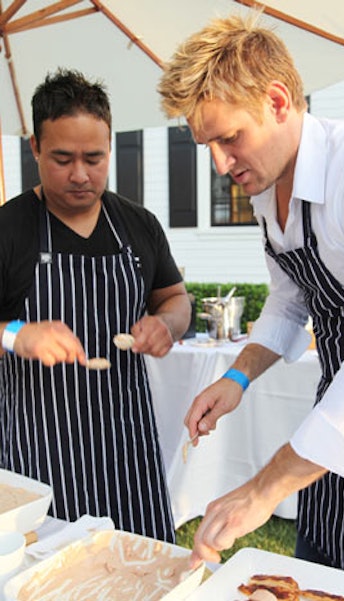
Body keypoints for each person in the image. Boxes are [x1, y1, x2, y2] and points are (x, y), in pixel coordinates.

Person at [158, 12, 344, 592]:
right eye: (207, 145)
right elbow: (292, 303)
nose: (220, 164)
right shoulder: (268, 191)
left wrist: (263, 489)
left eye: (229, 137)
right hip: (332, 417)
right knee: (318, 574)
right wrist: (236, 380)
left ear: (278, 100)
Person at [0, 68, 191, 543]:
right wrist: (15, 334)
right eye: (63, 158)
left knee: (142, 570)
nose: (81, 175)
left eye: (95, 158)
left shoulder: (137, 225)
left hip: (127, 451)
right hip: (37, 453)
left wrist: (167, 324)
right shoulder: (10, 228)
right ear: (36, 150)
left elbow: (175, 297)